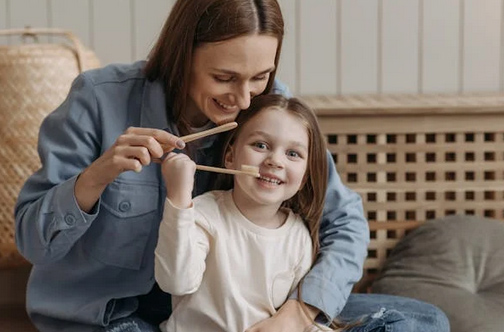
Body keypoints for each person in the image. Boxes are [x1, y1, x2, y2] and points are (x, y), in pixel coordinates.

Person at [14, 0, 450, 331]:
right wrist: (97, 175)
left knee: (423, 319)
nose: (243, 100)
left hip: (242, 310)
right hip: (111, 313)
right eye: (224, 78)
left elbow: (345, 222)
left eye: (259, 76)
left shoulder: (265, 108)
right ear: (182, 54)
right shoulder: (97, 98)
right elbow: (33, 242)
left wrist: (299, 312)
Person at [155, 94, 329, 332]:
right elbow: (175, 281)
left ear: (304, 178)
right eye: (260, 145)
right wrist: (179, 197)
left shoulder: (298, 235)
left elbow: (292, 319)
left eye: (293, 154)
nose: (275, 161)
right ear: (230, 157)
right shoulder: (204, 214)